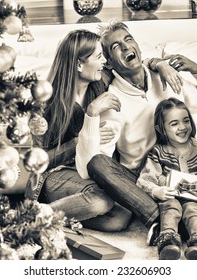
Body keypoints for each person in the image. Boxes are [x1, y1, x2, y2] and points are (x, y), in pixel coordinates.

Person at [75, 19, 197, 246]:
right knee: (98, 163)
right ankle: (172, 223)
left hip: (189, 169)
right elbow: (94, 165)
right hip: (145, 182)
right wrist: (91, 122)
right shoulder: (113, 101)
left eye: (129, 40)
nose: (127, 47)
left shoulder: (164, 74)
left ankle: (187, 225)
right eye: (117, 47)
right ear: (108, 63)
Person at [26, 29, 132, 232]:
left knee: (120, 217)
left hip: (89, 172)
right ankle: (31, 218)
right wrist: (82, 139)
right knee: (101, 201)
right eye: (99, 56)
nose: (104, 62)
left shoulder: (98, 82)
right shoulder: (45, 103)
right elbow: (37, 163)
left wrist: (160, 64)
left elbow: (130, 65)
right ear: (78, 64)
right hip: (53, 175)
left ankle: (55, 216)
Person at [136, 97, 197, 260]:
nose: (182, 127)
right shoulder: (158, 152)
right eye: (174, 124)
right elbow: (144, 179)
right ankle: (168, 242)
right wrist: (156, 190)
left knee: (192, 209)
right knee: (171, 207)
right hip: (169, 200)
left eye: (186, 121)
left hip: (195, 202)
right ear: (161, 128)